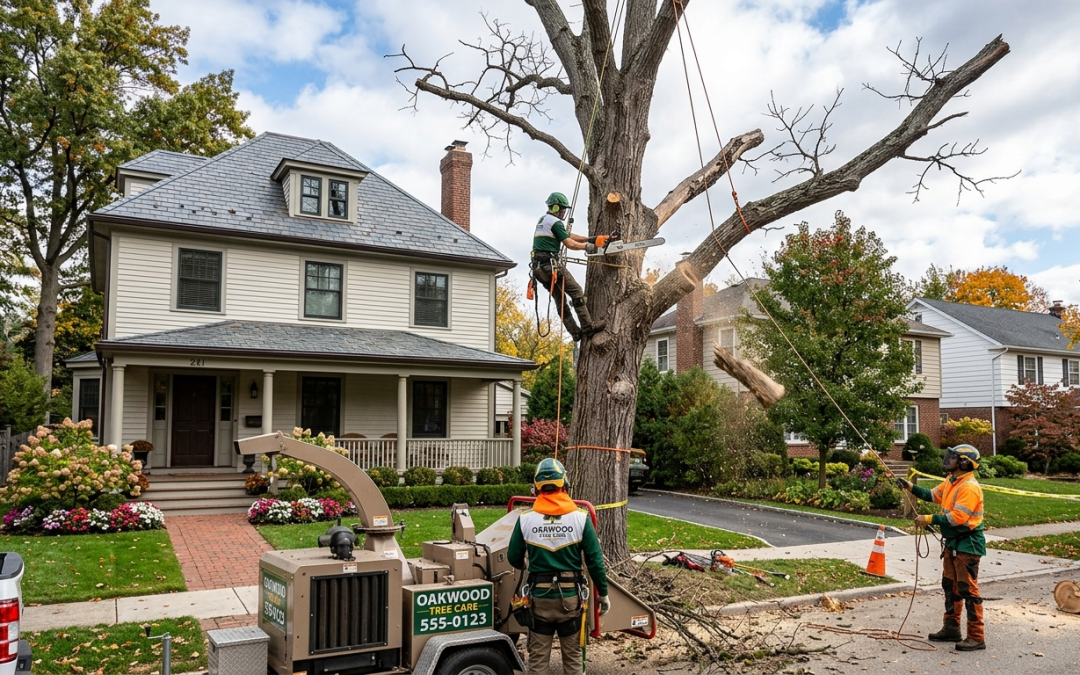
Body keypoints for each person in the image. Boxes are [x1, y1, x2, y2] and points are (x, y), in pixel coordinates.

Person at [508, 458, 610, 675]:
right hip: (571, 599)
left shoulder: (525, 519)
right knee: (573, 660)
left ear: (536, 487)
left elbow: (513, 557)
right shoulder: (580, 518)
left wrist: (527, 562)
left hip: (539, 600)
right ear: (565, 483)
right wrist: (603, 594)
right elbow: (594, 561)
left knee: (537, 662)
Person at [897, 444, 986, 651]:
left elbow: (958, 518)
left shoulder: (969, 487)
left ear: (965, 463)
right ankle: (951, 628)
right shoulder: (952, 481)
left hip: (968, 544)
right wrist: (910, 487)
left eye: (954, 457)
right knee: (950, 585)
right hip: (953, 543)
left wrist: (928, 518)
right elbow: (932, 495)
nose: (949, 460)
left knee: (968, 590)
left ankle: (976, 636)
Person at [531, 192, 606, 341]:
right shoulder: (555, 222)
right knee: (576, 292)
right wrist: (587, 247)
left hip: (538, 269)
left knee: (560, 300)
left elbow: (566, 234)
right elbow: (569, 243)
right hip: (551, 266)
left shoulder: (544, 220)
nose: (564, 212)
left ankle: (575, 332)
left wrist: (590, 239)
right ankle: (588, 327)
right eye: (563, 209)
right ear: (556, 207)